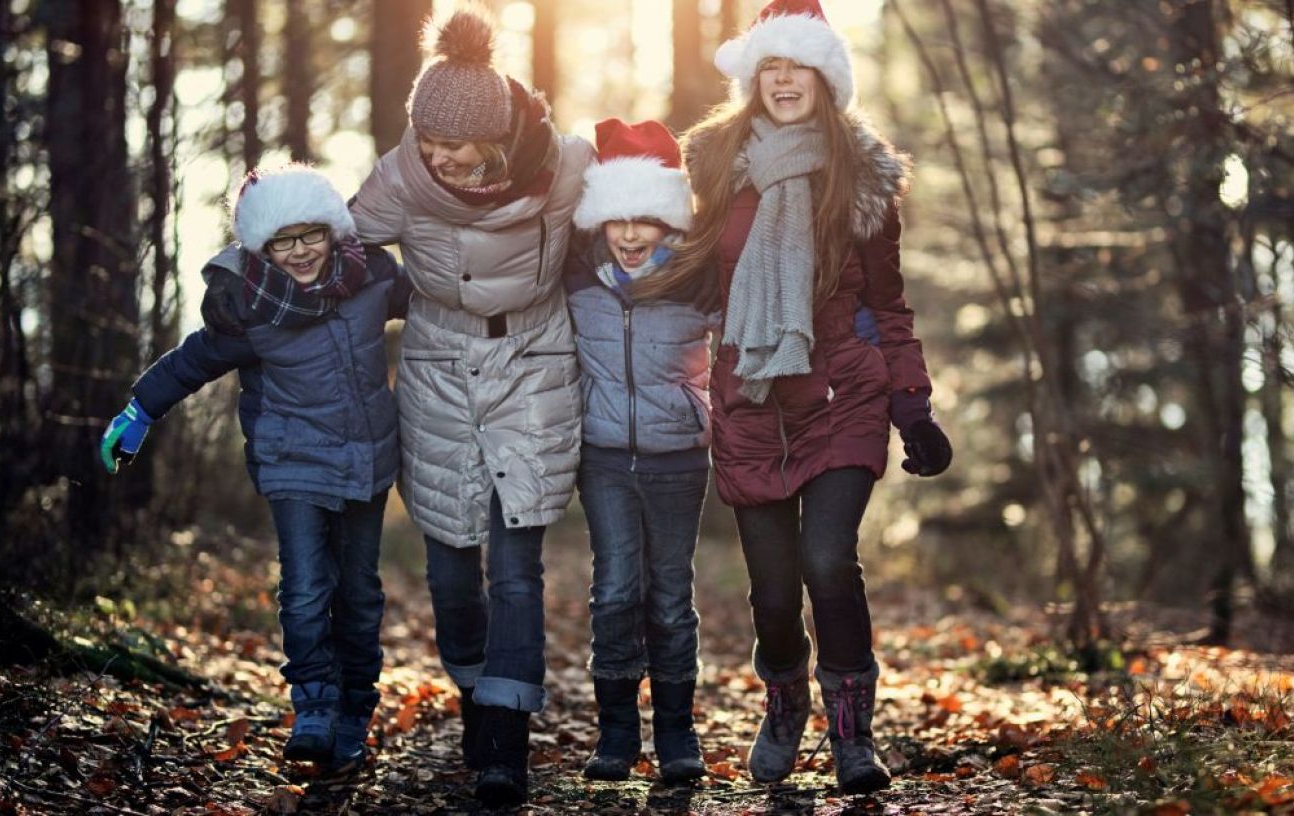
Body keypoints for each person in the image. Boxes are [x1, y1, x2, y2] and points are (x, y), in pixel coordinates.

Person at [632, 0, 954, 795]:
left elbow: (887, 304)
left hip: (841, 391)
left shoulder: (862, 176)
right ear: (752, 77)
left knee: (826, 562)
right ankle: (784, 704)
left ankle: (851, 729)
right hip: (749, 399)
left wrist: (910, 403)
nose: (782, 79)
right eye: (769, 65)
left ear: (824, 77)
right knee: (773, 592)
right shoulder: (713, 164)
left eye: (797, 65)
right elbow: (686, 265)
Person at [346, 5, 593, 806]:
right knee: (451, 562)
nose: (439, 157)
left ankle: (503, 739)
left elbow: (637, 216)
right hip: (440, 365)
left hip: (532, 361)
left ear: (495, 136)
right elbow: (334, 245)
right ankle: (473, 695)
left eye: (453, 144)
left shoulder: (561, 170)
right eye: (428, 141)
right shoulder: (401, 176)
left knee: (517, 562)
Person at [102, 163, 408, 775]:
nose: (299, 252)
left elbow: (448, 299)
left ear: (333, 233)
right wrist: (138, 410)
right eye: (282, 242)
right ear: (262, 247)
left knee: (359, 595)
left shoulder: (373, 280)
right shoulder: (249, 309)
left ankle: (354, 712)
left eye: (310, 236)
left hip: (369, 461)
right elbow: (192, 362)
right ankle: (314, 707)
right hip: (292, 460)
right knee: (303, 591)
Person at [564, 119, 714, 785]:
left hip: (677, 456)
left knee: (669, 595)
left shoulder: (696, 279)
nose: (628, 235)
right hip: (601, 457)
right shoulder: (577, 276)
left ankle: (677, 734)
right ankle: (617, 733)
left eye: (644, 220)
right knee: (615, 589)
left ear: (669, 221)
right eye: (616, 219)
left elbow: (741, 349)